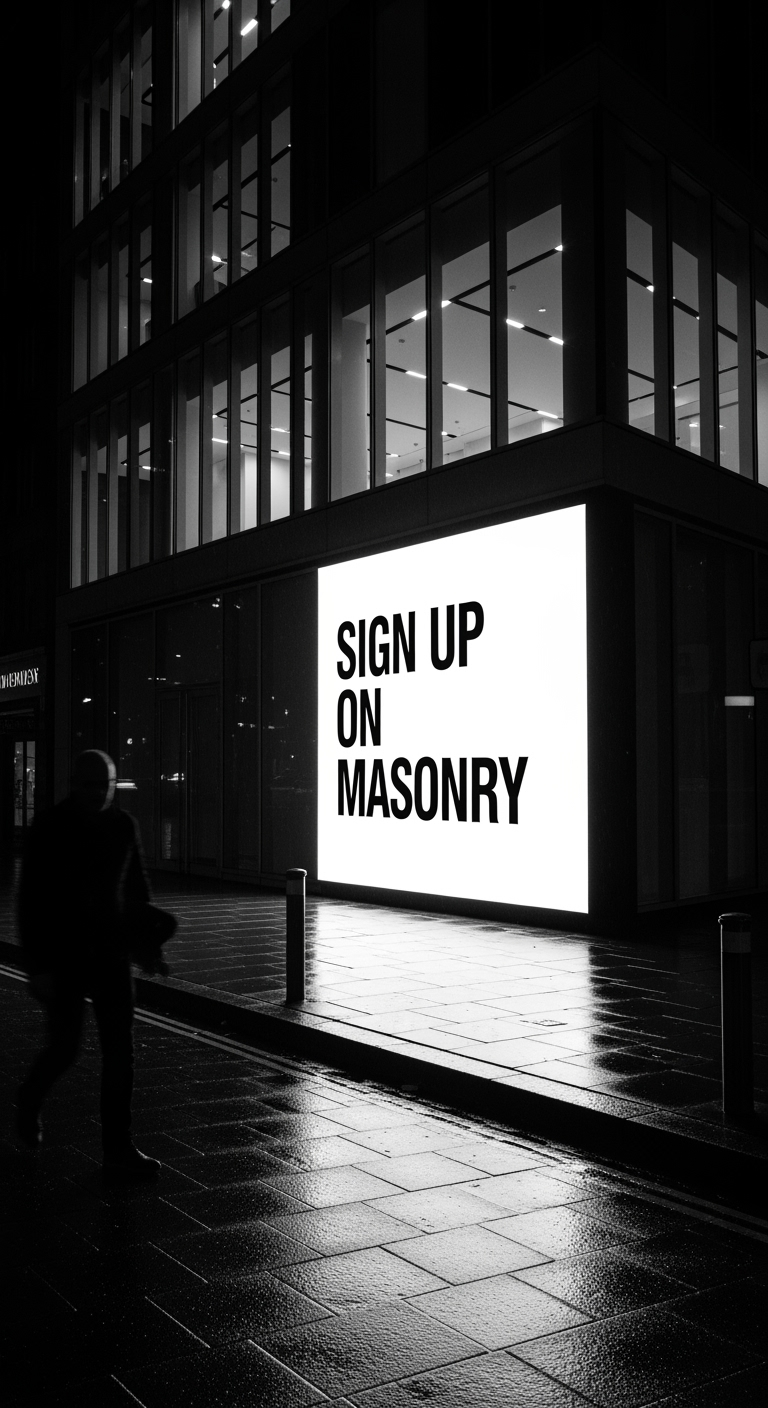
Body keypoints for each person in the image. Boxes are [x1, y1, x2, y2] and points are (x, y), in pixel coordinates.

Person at [15, 749, 162, 1183]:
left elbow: (136, 889)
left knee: (121, 1055)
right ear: (74, 784)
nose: (100, 793)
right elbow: (30, 901)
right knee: (65, 1048)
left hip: (112, 955)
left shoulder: (123, 826)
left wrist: (149, 945)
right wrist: (37, 966)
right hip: (65, 955)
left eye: (107, 785)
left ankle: (118, 1149)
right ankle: (30, 1097)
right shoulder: (50, 827)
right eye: (92, 785)